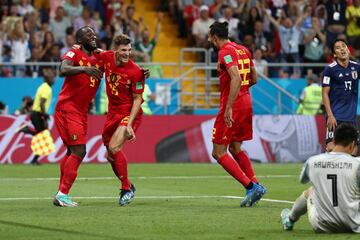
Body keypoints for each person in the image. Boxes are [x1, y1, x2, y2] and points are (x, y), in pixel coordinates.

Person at [207, 21, 266, 207]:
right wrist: (241, 95)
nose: (209, 40)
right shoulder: (243, 50)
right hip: (247, 100)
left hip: (233, 104)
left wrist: (230, 106)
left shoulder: (224, 52)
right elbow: (253, 78)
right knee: (235, 148)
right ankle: (255, 183)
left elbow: (236, 77)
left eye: (210, 37)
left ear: (215, 37)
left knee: (218, 152)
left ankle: (250, 187)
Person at [53, 26, 103, 207]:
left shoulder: (99, 58)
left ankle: (61, 193)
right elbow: (64, 68)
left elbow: (117, 62)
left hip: (81, 111)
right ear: (80, 41)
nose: (93, 37)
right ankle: (62, 194)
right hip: (68, 108)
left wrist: (138, 71)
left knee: (71, 151)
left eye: (94, 34)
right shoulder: (74, 53)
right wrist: (83, 69)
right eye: (89, 35)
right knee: (79, 151)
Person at [280, 123, 360, 233]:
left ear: (334, 141)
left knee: (311, 190)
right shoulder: (357, 163)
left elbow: (303, 180)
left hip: (323, 226)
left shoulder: (313, 161)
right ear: (353, 144)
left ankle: (290, 219)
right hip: (354, 225)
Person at [97, 34, 146, 206]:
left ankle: (126, 189)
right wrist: (76, 49)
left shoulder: (136, 71)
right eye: (123, 50)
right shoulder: (106, 57)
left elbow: (138, 100)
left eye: (129, 50)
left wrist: (129, 124)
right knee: (110, 155)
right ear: (115, 50)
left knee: (114, 147)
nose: (127, 53)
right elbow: (94, 51)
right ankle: (129, 185)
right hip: (113, 114)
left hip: (129, 113)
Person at [322, 39, 360, 152]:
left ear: (348, 50)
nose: (342, 49)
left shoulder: (357, 67)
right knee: (331, 147)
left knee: (354, 149)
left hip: (351, 119)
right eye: (338, 48)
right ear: (334, 54)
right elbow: (324, 93)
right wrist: (330, 115)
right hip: (335, 117)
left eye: (343, 46)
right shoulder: (330, 69)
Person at [17, 67, 55, 165]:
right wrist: (45, 115)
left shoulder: (42, 86)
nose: (53, 80)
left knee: (42, 138)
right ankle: (27, 129)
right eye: (52, 78)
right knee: (43, 136)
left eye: (53, 78)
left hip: (36, 114)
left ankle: (34, 160)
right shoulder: (47, 89)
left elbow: (37, 101)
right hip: (38, 114)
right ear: (47, 79)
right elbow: (42, 103)